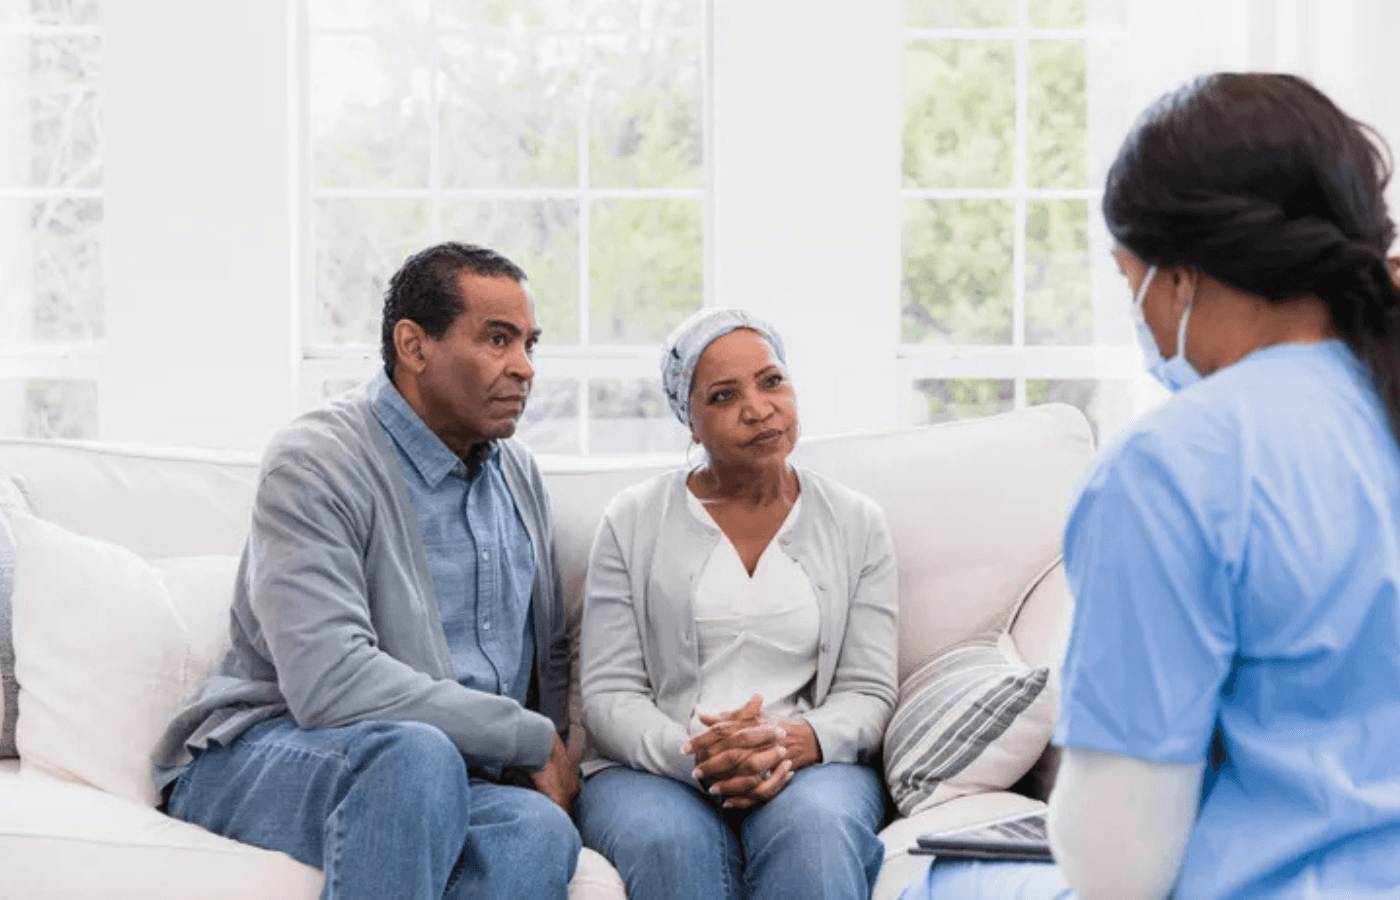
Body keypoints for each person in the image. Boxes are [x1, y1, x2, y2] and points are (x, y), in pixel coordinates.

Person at [901, 72, 1400, 900]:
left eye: (1125, 277)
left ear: (1179, 277)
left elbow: (1118, 864)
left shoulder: (1176, 464)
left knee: (941, 881)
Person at [152, 242, 581, 900]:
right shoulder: (316, 462)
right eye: (498, 340)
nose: (523, 368)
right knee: (415, 758)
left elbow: (542, 654)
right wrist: (527, 737)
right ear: (414, 345)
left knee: (538, 833)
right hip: (275, 750)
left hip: (452, 774)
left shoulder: (517, 474)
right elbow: (329, 683)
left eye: (529, 344)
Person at [576, 307, 898, 900]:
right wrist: (699, 755)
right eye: (724, 396)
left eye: (772, 380)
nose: (758, 408)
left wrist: (795, 741)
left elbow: (869, 691)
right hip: (654, 767)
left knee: (816, 831)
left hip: (807, 764)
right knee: (670, 844)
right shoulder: (632, 519)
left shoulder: (856, 522)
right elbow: (609, 694)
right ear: (691, 422)